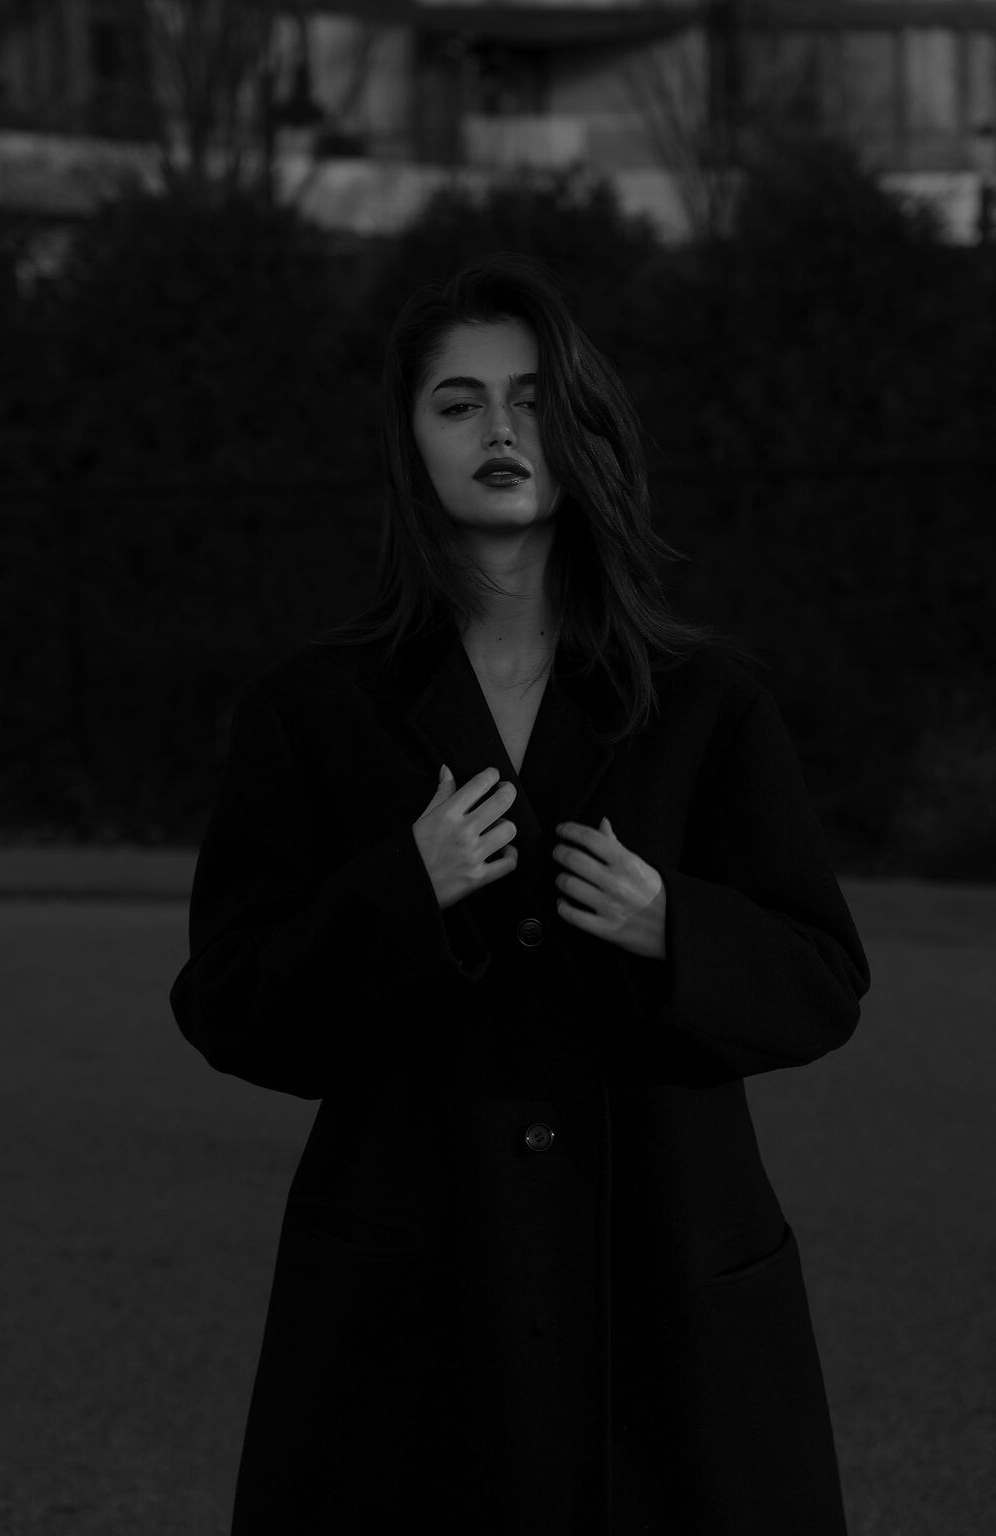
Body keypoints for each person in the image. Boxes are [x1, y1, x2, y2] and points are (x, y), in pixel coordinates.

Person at [169, 252, 870, 1536]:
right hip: (409, 1319)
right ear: (409, 442)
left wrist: (674, 929)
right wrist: (403, 891)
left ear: (583, 429)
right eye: (459, 402)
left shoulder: (707, 705)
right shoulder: (310, 713)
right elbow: (230, 1004)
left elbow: (823, 981)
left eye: (533, 399)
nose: (500, 429)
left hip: (667, 1307)